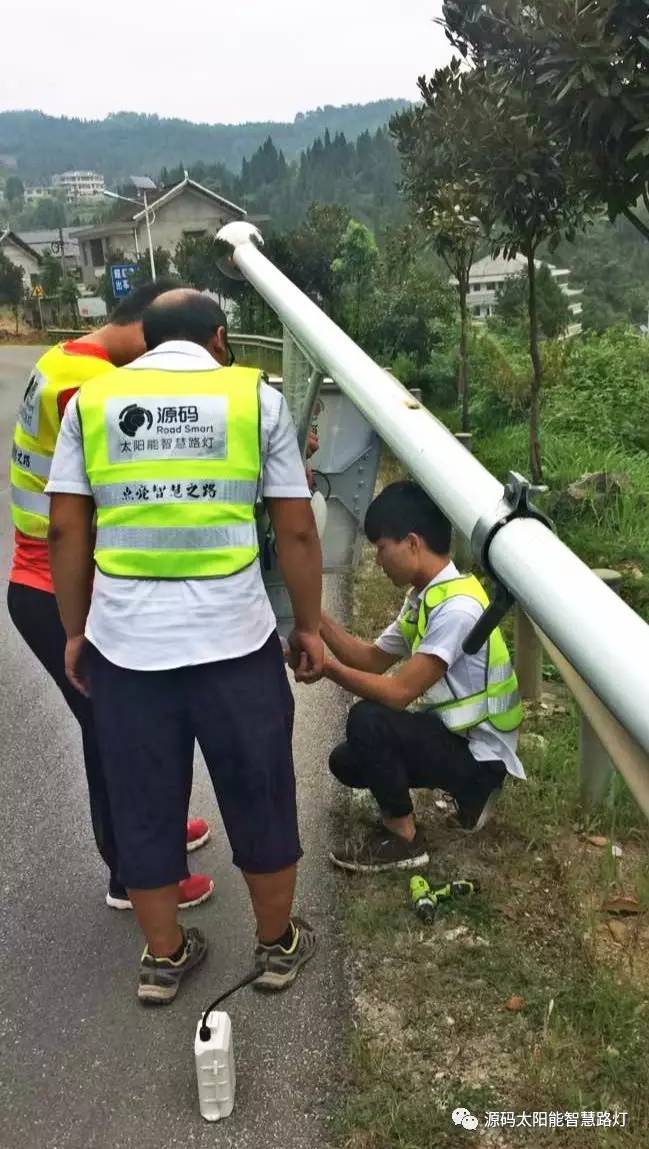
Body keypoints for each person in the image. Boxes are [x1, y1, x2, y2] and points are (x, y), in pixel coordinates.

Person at [46, 289, 324, 1004]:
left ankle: (164, 958)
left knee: (142, 801)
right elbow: (294, 529)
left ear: (143, 340)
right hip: (234, 641)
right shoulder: (253, 400)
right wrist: (310, 627)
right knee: (258, 790)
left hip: (126, 647)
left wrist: (77, 632)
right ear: (219, 337)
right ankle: (275, 945)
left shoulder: (94, 403)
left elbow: (65, 532)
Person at [7, 282, 214, 911]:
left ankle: (152, 839)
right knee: (116, 732)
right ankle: (132, 872)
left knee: (126, 725)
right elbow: (126, 488)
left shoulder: (62, 358)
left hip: (43, 580)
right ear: (143, 332)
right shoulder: (92, 389)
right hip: (59, 589)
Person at [320, 480, 526, 873]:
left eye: (382, 548)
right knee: (346, 762)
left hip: (480, 755)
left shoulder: (458, 608)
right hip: (454, 736)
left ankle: (405, 839)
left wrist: (328, 669)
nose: (378, 561)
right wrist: (314, 621)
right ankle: (464, 797)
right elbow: (372, 658)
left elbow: (397, 693)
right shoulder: (425, 596)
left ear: (412, 543)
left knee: (367, 719)